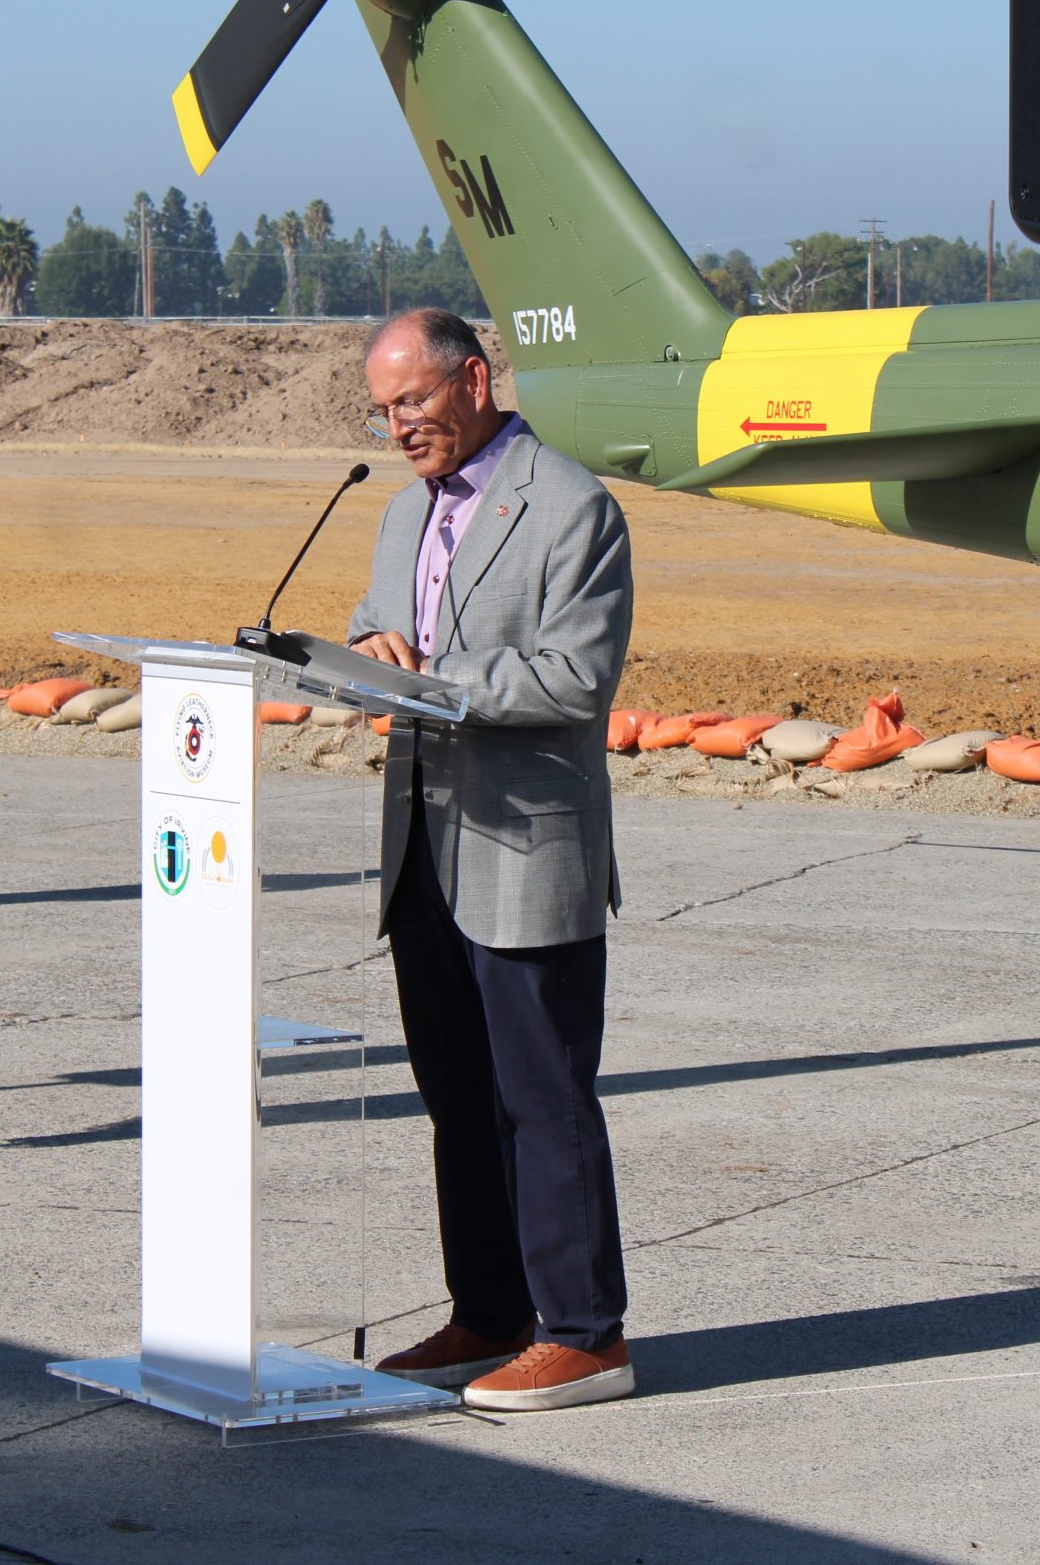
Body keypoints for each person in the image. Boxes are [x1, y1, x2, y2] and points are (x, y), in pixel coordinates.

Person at [347, 307, 637, 1412]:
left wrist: (432, 680)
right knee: (457, 1097)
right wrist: (365, 654)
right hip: (422, 844)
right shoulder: (401, 513)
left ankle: (587, 1334)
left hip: (525, 848)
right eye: (383, 410)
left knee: (542, 1097)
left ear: (473, 381)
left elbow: (577, 677)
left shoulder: (571, 506)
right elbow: (381, 629)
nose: (398, 427)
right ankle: (488, 1311)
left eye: (413, 401)